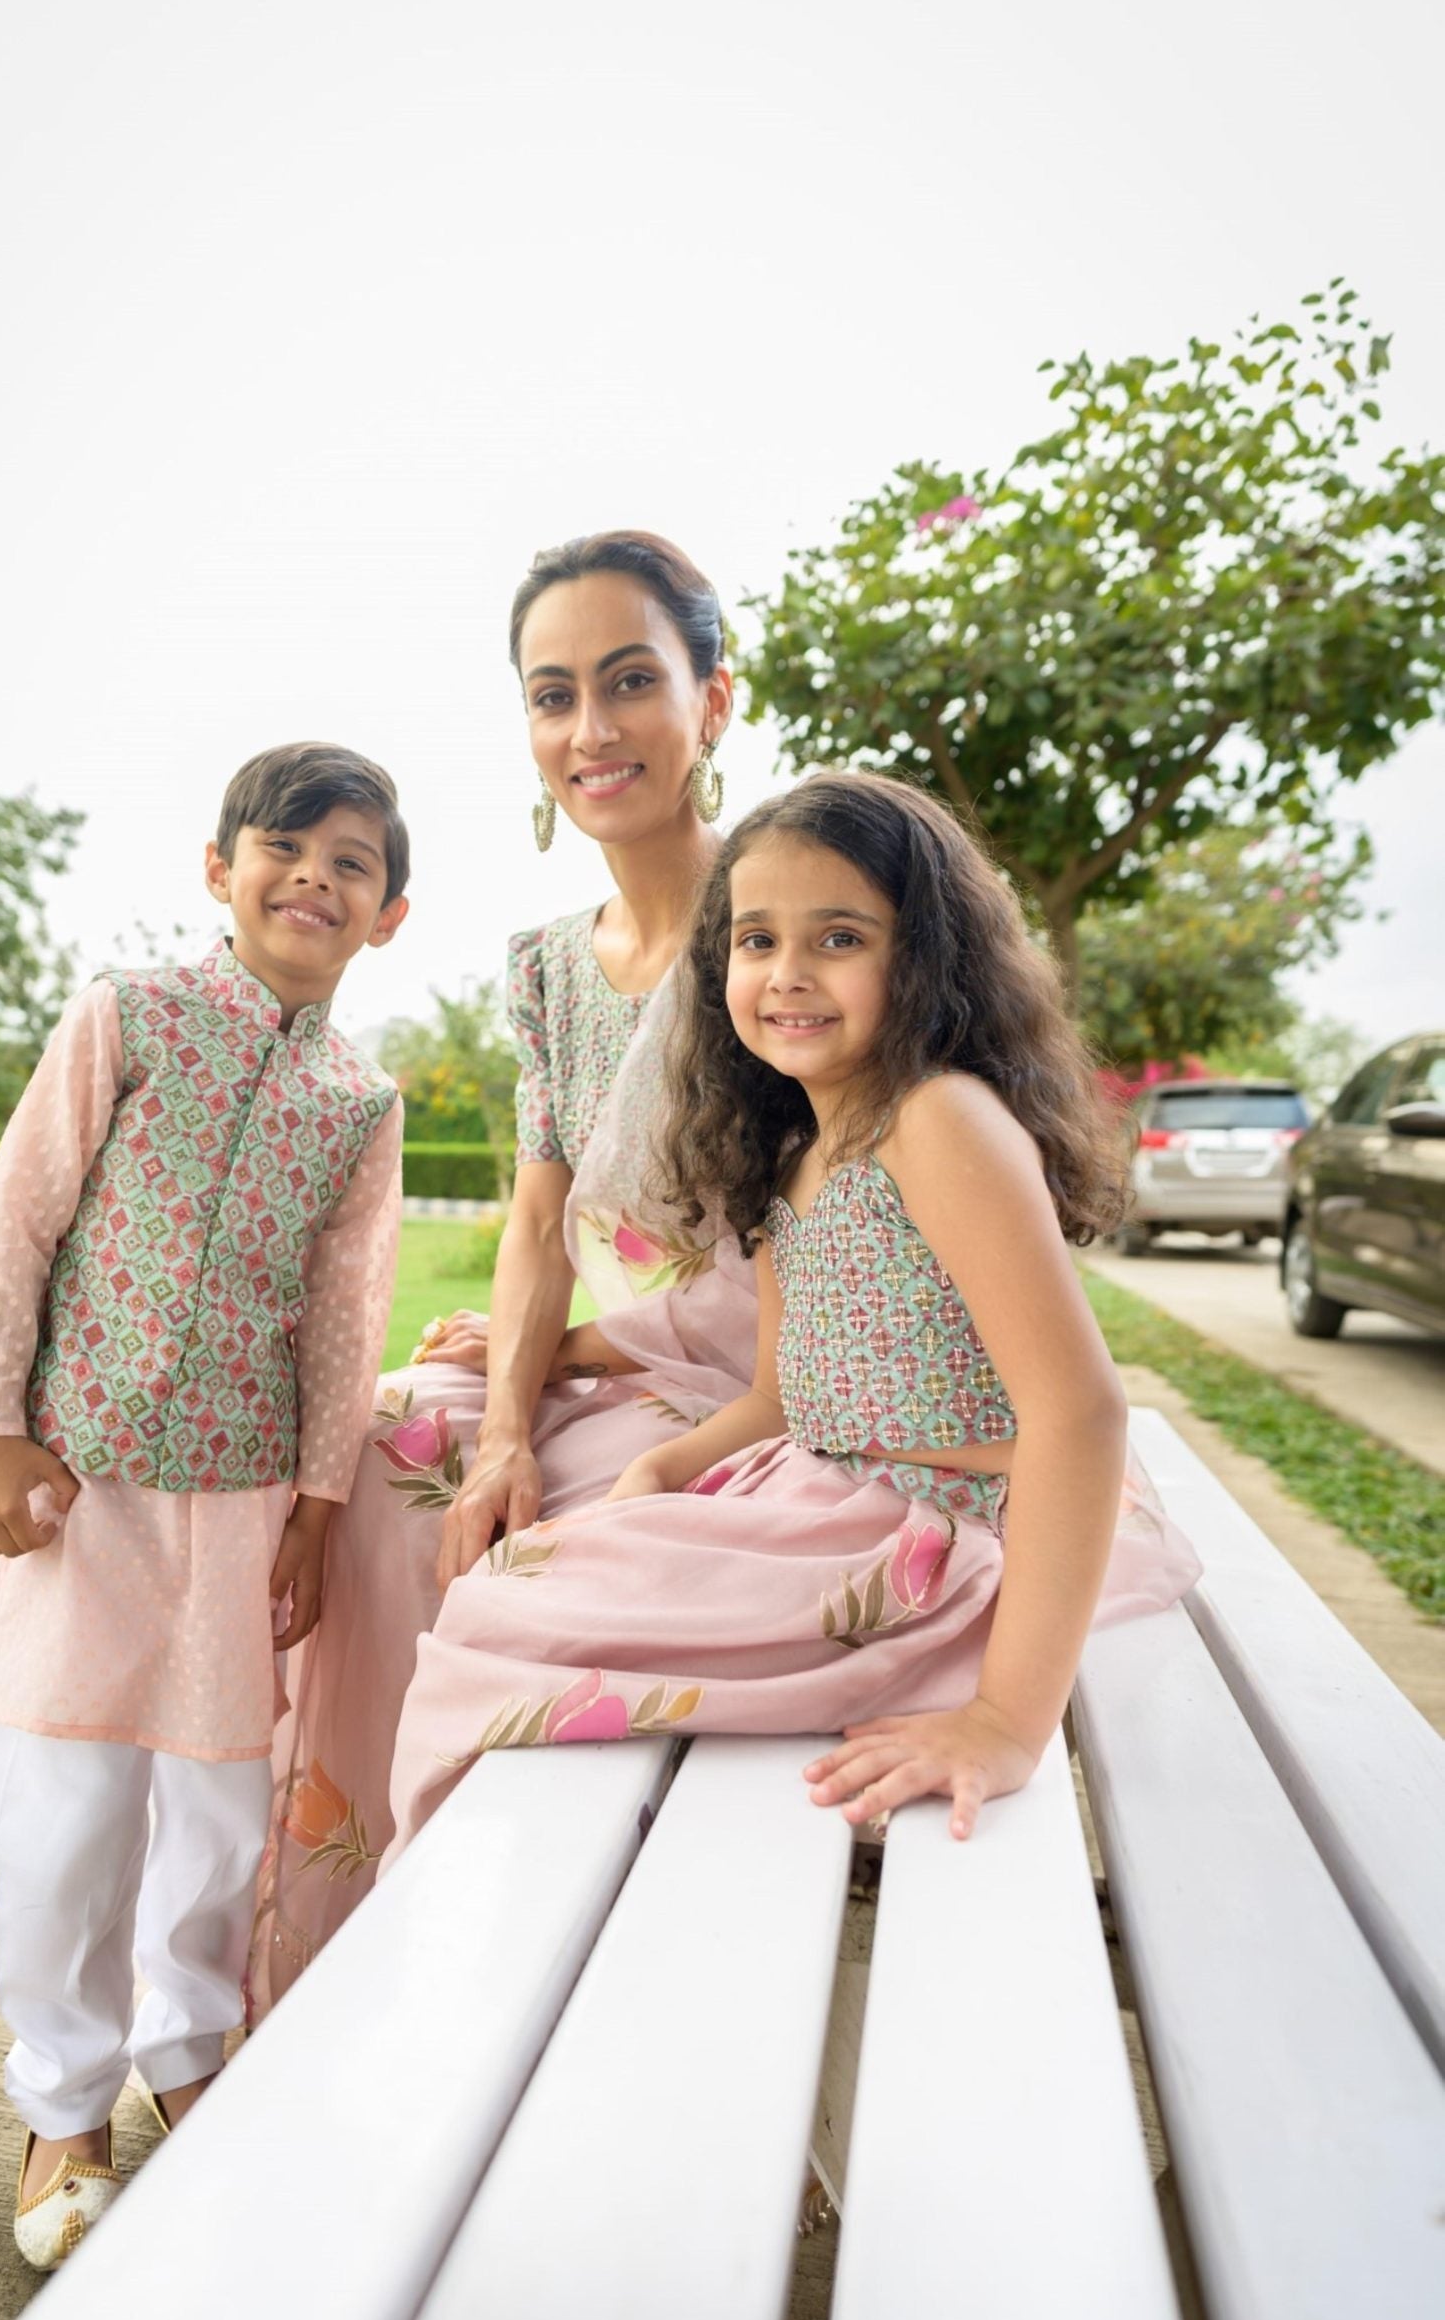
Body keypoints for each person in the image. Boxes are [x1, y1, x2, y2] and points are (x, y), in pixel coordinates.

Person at [382, 773, 1201, 1857]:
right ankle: (509, 1903)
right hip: (820, 1487)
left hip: (948, 1530)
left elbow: (1083, 1416)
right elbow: (779, 1398)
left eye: (841, 938)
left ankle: (524, 1914)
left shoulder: (939, 1119)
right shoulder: (794, 1154)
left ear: (923, 956)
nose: (788, 975)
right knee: (514, 1595)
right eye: (757, 941)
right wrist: (659, 1479)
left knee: (506, 1626)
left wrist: (1008, 1720)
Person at [248, 534, 759, 2011]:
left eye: (628, 683)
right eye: (552, 696)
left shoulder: (781, 923)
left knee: (548, 1548)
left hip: (762, 1392)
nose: (589, 732)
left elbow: (811, 1233)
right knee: (391, 1444)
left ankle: (595, 1988)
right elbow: (537, 1229)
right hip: (611, 1365)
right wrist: (502, 1429)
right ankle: (339, 1965)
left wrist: (585, 1361)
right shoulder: (541, 966)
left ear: (710, 700)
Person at [0, 742, 410, 2268]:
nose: (313, 879)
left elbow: (346, 1318)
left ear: (389, 914)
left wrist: (320, 1509)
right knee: (66, 1822)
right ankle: (62, 2103)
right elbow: (18, 1225)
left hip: (243, 1502)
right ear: (220, 869)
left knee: (213, 1815)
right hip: (78, 1494)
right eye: (286, 847)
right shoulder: (126, 1017)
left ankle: (187, 2052)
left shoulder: (358, 1097)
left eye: (352, 863)